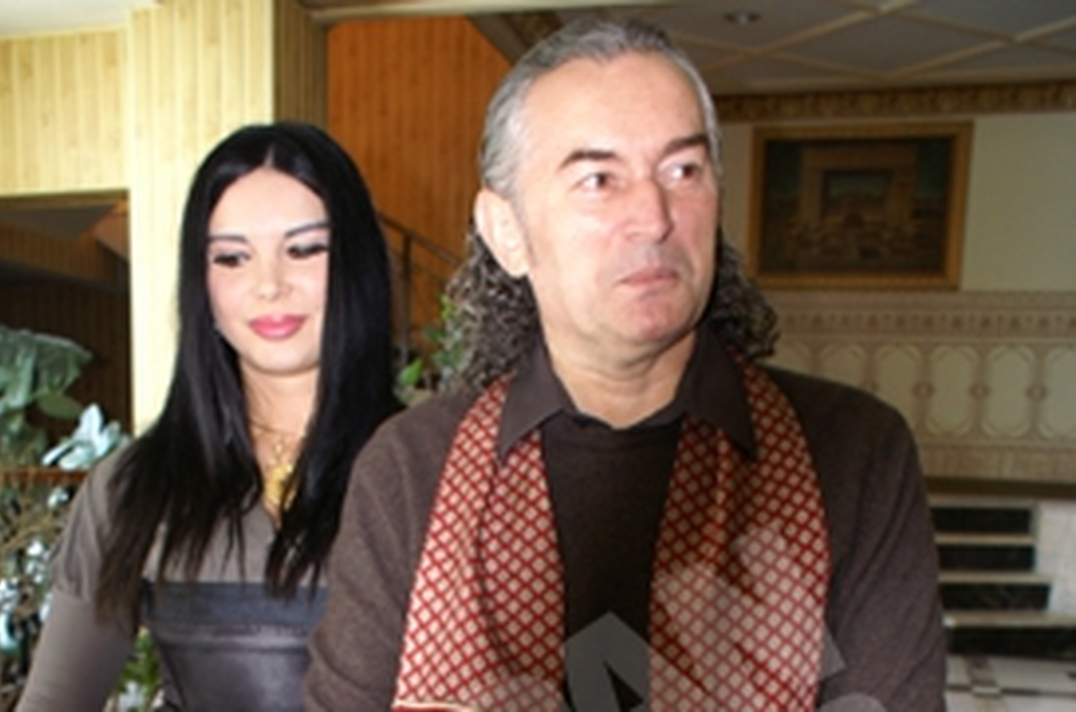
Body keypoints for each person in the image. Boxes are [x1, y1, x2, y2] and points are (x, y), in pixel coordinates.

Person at [305, 18, 946, 712]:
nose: (654, 216)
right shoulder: (412, 470)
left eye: (683, 171)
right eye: (599, 179)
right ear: (506, 232)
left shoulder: (848, 452)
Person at [17, 121, 401, 711]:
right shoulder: (132, 490)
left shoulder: (432, 472)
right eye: (232, 258)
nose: (269, 285)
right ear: (203, 284)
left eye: (303, 250)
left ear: (357, 264)